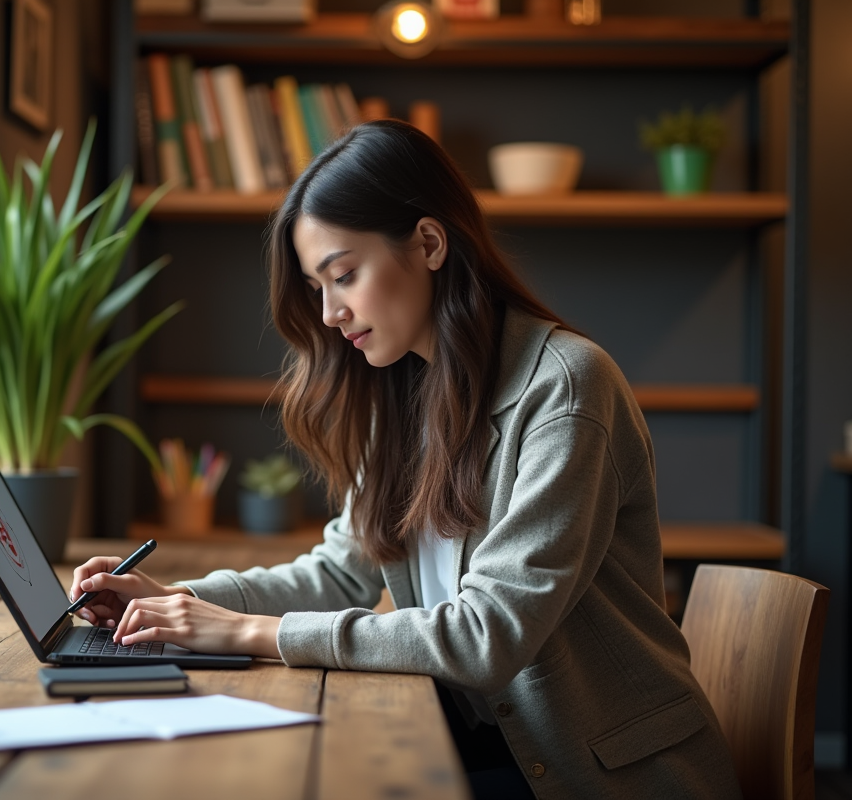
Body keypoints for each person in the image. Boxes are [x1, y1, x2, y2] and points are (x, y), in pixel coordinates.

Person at [70, 119, 741, 800]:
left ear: (428, 243)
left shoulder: (566, 388)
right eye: (316, 287)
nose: (329, 312)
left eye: (344, 275)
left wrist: (245, 631)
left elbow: (487, 637)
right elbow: (341, 570)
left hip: (607, 777)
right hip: (498, 748)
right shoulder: (404, 393)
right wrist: (177, 602)